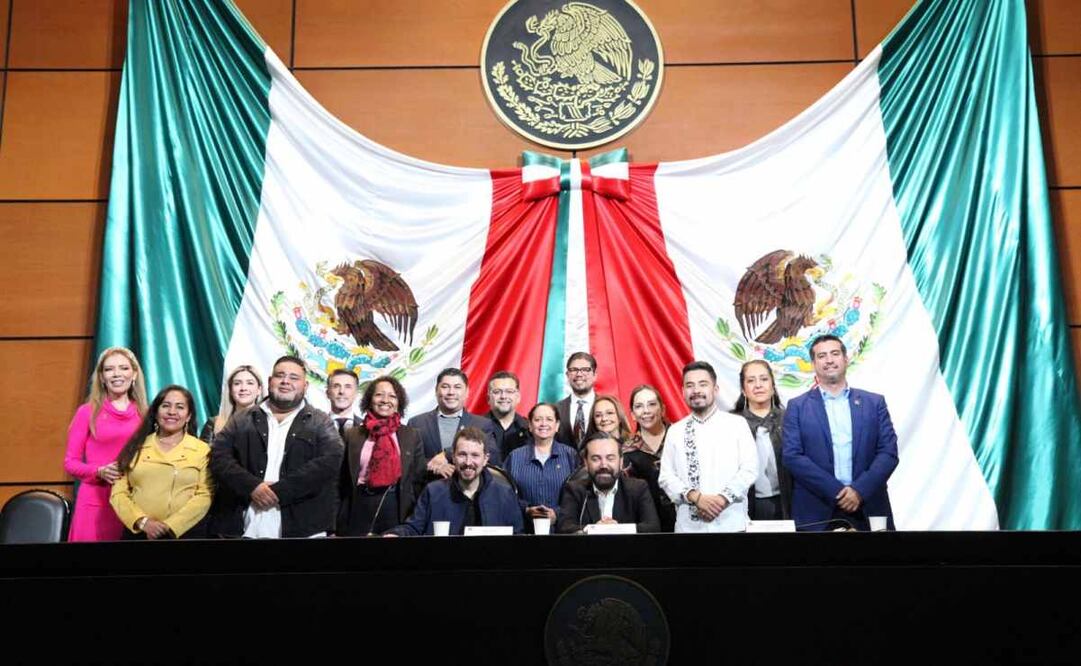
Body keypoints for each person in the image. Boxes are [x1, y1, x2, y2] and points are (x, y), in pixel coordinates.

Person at [209, 355, 343, 538]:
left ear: (305, 386)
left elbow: (330, 461)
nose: (286, 381)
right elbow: (218, 456)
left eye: (294, 378)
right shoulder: (242, 419)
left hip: (305, 531)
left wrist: (280, 491)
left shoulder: (321, 422)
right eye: (280, 375)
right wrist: (252, 486)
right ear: (270, 381)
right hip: (245, 528)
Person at [782, 335, 899, 531]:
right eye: (822, 356)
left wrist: (859, 491)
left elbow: (888, 453)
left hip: (868, 505)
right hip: (816, 510)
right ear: (813, 364)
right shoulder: (797, 407)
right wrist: (838, 492)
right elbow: (792, 456)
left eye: (835, 354)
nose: (829, 360)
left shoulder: (874, 403)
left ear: (846, 359)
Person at [659, 361, 758, 533]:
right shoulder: (675, 431)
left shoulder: (737, 424)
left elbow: (749, 469)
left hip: (733, 525)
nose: (696, 390)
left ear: (715, 389)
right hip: (689, 530)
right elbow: (666, 477)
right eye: (690, 385)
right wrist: (695, 497)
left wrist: (721, 499)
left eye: (703, 384)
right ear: (683, 392)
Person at [63, 346, 149, 541]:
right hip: (94, 504)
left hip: (134, 504)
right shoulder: (87, 412)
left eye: (124, 368)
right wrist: (99, 471)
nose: (117, 374)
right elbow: (70, 463)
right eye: (109, 369)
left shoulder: (145, 414)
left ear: (134, 374)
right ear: (101, 377)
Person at [110, 385, 212, 539]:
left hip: (185, 535)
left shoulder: (202, 450)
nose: (172, 412)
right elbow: (118, 493)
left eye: (180, 407)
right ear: (156, 412)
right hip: (138, 534)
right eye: (165, 406)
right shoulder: (135, 447)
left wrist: (171, 527)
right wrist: (143, 522)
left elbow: (205, 495)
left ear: (189, 415)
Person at [385, 428, 523, 536]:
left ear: (485, 459)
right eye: (462, 455)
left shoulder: (505, 494)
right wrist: (395, 535)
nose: (468, 462)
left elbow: (518, 536)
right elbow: (413, 528)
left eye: (475, 455)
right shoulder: (433, 492)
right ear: (453, 457)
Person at [337, 376, 426, 536]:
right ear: (370, 400)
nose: (385, 400)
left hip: (397, 508)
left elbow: (418, 480)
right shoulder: (353, 434)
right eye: (379, 395)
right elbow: (340, 482)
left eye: (392, 396)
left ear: (399, 402)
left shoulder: (411, 435)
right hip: (359, 507)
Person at [557, 432, 660, 534]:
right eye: (596, 459)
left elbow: (652, 527)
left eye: (610, 458)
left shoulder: (638, 488)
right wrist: (595, 529)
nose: (603, 465)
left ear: (620, 462)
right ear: (586, 463)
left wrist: (617, 529)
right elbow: (564, 527)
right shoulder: (575, 489)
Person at [409, 367, 500, 478]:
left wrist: (447, 454)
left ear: (467, 392)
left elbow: (493, 457)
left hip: (467, 491)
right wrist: (432, 465)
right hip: (426, 489)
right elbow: (409, 462)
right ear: (436, 391)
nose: (451, 392)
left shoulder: (482, 424)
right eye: (445, 387)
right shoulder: (417, 423)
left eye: (457, 387)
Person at [732, 360, 792, 521]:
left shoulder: (790, 419)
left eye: (764, 379)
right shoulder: (731, 424)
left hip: (789, 501)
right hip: (746, 504)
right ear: (743, 390)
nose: (758, 385)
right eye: (751, 380)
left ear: (773, 386)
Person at [504, 402, 579, 526]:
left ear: (557, 426)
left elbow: (579, 495)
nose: (543, 424)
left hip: (562, 531)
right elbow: (505, 494)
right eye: (538, 420)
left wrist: (557, 513)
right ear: (530, 425)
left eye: (549, 419)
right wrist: (526, 510)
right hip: (524, 530)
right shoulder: (515, 457)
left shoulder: (571, 455)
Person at [622, 384, 676, 532]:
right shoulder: (626, 451)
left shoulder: (680, 438)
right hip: (645, 526)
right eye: (639, 406)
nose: (646, 411)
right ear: (632, 414)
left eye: (652, 404)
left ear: (662, 409)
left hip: (685, 522)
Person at [200, 364, 263, 444]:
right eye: (237, 383)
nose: (243, 388)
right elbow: (203, 455)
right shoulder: (214, 423)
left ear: (259, 390)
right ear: (230, 390)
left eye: (250, 383)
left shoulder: (270, 422)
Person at [486, 370, 530, 461]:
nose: (503, 396)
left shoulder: (529, 429)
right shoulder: (476, 427)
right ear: (488, 398)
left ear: (518, 397)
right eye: (497, 392)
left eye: (509, 391)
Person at [556, 352, 597, 449]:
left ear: (595, 375)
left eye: (585, 370)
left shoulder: (607, 408)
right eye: (574, 370)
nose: (579, 374)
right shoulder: (556, 409)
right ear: (567, 375)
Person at [325, 368, 360, 437]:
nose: (341, 391)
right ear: (327, 393)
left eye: (348, 387)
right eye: (336, 386)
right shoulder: (314, 427)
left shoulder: (366, 428)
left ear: (356, 393)